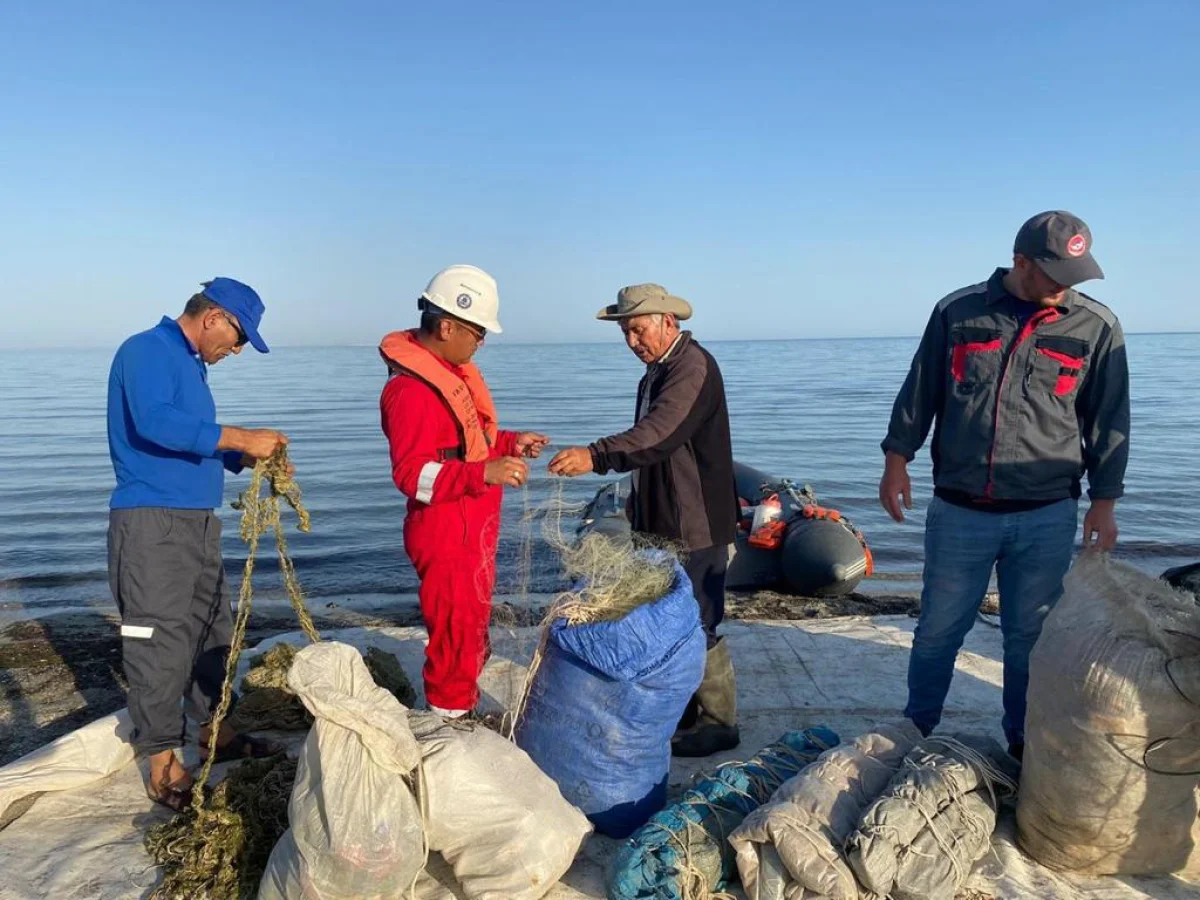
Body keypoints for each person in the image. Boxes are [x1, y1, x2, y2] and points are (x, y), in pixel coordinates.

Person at [879, 210, 1130, 760]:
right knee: (939, 630)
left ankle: (1023, 743)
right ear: (1020, 262)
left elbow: (1108, 421)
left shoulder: (1097, 328)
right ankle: (914, 731)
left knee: (1028, 641)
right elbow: (919, 392)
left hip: (1047, 516)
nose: (1065, 287)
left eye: (1075, 275)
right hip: (961, 513)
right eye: (1054, 274)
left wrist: (1103, 504)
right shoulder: (958, 311)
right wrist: (898, 458)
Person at [107, 277, 292, 811]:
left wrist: (247, 458)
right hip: (150, 522)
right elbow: (155, 423)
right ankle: (163, 762)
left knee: (212, 627)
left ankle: (217, 732)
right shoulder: (146, 349)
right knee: (158, 638)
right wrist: (237, 437)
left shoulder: (189, 365)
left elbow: (189, 438)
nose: (235, 351)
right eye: (237, 337)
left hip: (196, 521)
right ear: (213, 316)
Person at [549, 283, 740, 757]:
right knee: (669, 620)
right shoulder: (660, 370)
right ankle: (686, 713)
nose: (633, 340)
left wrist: (593, 456)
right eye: (626, 332)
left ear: (667, 322)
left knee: (698, 619)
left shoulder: (691, 367)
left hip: (694, 522)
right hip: (660, 519)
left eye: (638, 329)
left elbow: (658, 434)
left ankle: (720, 722)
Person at [379, 264, 549, 720]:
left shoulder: (447, 376)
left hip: (471, 529)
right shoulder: (411, 391)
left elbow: (467, 441)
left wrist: (512, 443)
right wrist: (483, 475)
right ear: (447, 325)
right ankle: (449, 720)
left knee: (471, 626)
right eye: (477, 331)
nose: (481, 342)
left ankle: (463, 703)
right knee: (454, 631)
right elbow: (412, 476)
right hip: (445, 532)